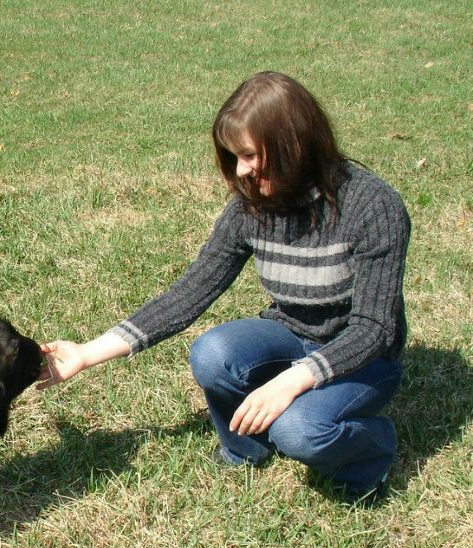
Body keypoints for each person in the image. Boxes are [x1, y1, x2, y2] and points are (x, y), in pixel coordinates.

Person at [38, 71, 410, 500]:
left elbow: (374, 328)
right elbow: (189, 294)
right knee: (213, 354)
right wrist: (86, 354)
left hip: (364, 357)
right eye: (234, 156)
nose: (240, 170)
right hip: (293, 333)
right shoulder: (251, 208)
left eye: (250, 155)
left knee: (300, 429)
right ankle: (247, 448)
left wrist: (294, 380)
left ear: (293, 144)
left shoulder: (373, 206)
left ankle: (369, 459)